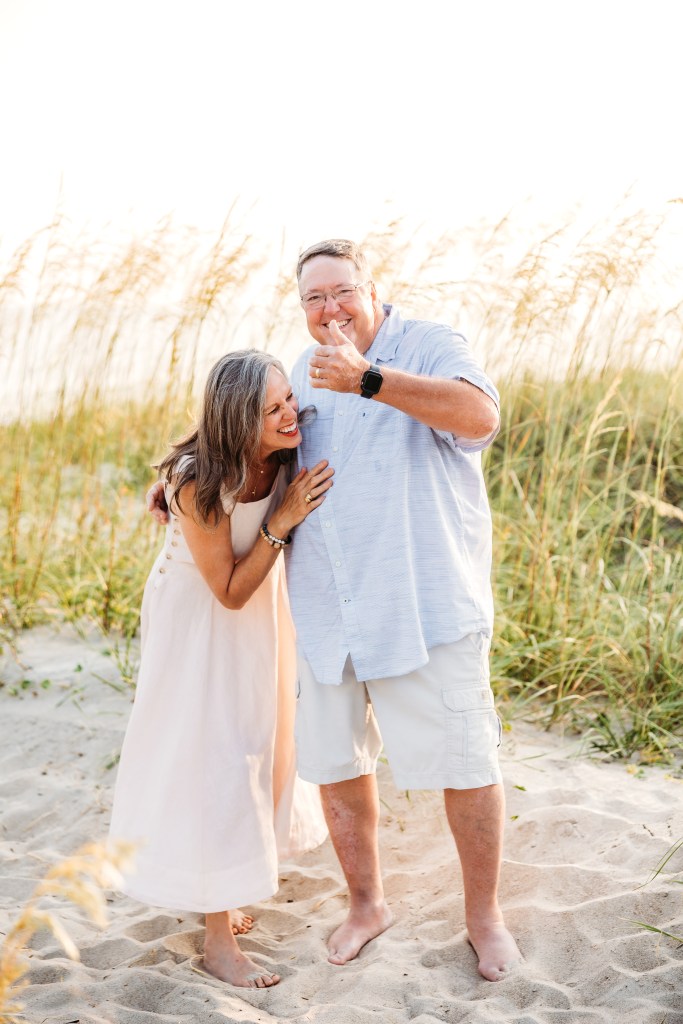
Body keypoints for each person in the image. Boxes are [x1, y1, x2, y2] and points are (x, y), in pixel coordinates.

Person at [148, 240, 522, 983]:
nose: (329, 309)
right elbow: (253, 438)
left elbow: (480, 417)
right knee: (339, 767)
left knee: (465, 762)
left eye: (342, 290)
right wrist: (180, 476)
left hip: (422, 606)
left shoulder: (430, 345)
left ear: (372, 288)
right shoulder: (302, 370)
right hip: (327, 611)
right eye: (313, 297)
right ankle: (366, 905)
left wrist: (369, 380)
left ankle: (485, 920)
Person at [110, 349, 332, 988]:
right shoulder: (197, 481)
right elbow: (228, 591)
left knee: (259, 744)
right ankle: (216, 939)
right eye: (272, 410)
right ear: (237, 421)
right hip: (200, 618)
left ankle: (223, 891)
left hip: (261, 610)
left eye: (288, 399)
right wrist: (283, 520)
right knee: (214, 756)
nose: (290, 416)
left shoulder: (281, 451)